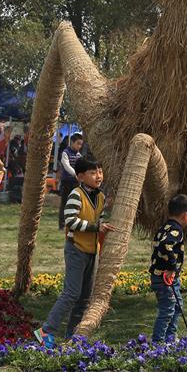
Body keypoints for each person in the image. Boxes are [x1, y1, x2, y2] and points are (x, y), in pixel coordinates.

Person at [34, 158, 114, 346]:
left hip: (92, 251)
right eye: (93, 172)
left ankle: (72, 336)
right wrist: (97, 227)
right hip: (76, 249)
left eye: (100, 172)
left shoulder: (100, 197)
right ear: (80, 176)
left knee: (84, 297)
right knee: (71, 293)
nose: (99, 176)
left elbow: (99, 218)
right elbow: (70, 221)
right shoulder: (76, 195)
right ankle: (46, 331)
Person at [149, 193, 187, 343]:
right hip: (164, 277)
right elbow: (165, 245)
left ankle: (170, 337)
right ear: (186, 214)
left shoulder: (165, 227)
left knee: (177, 305)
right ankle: (158, 342)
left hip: (165, 277)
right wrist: (172, 268)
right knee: (168, 309)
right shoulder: (176, 230)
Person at [58, 133, 84, 229]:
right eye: (78, 143)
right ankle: (62, 224)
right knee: (64, 203)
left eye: (81, 144)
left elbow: (81, 166)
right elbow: (67, 166)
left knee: (76, 203)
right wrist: (76, 174)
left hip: (76, 182)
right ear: (72, 142)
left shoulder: (79, 155)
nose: (79, 146)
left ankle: (74, 223)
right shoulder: (65, 152)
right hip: (66, 182)